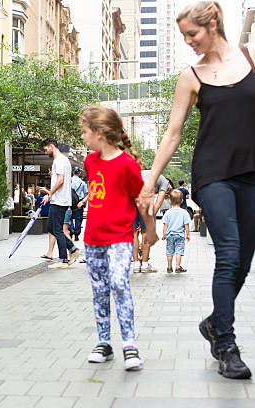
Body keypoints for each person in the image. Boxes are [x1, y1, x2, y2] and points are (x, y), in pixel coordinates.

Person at [139, 1, 255, 379]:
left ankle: (212, 324)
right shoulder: (192, 76)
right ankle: (227, 344)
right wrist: (149, 179)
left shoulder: (250, 60)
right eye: (184, 36)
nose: (188, 41)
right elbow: (173, 133)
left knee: (243, 262)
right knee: (229, 252)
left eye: (193, 34)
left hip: (251, 172)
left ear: (214, 22)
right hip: (212, 174)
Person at [80, 106, 158, 371]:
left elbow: (142, 202)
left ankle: (129, 345)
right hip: (92, 239)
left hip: (120, 238)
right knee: (99, 290)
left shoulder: (127, 165)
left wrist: (150, 231)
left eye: (85, 131)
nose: (82, 136)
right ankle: (104, 343)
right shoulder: (89, 162)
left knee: (119, 283)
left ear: (100, 133)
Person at [38, 139, 80, 267]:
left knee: (57, 229)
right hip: (59, 200)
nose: (46, 153)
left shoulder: (59, 160)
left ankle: (63, 260)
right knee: (51, 227)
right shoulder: (61, 160)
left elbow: (60, 180)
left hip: (60, 201)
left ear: (52, 146)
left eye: (46, 150)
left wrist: (49, 194)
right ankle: (72, 249)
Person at [133, 168, 169, 273]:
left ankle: (135, 264)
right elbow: (159, 202)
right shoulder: (163, 180)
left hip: (131, 197)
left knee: (133, 232)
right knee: (146, 232)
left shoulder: (140, 173)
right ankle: (144, 265)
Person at [162, 189, 191, 273]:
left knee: (169, 251)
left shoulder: (168, 212)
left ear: (170, 201)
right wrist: (188, 234)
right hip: (180, 235)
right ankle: (178, 267)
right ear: (182, 201)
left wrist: (164, 235)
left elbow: (165, 225)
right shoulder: (184, 212)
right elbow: (186, 225)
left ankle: (169, 267)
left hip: (170, 235)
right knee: (179, 251)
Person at [70, 167, 88, 241]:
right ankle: (76, 234)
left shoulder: (69, 180)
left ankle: (71, 228)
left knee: (69, 217)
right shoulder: (82, 182)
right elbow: (86, 194)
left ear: (73, 172)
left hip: (69, 201)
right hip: (79, 202)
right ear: (79, 173)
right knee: (78, 219)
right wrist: (84, 203)